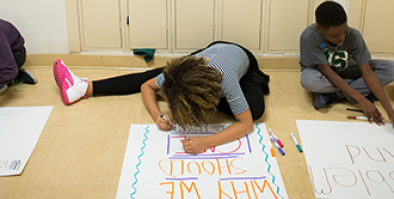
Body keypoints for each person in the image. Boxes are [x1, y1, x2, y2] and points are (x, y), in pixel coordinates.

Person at [53, 41, 270, 154]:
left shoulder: (226, 81)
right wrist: (157, 114)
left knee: (255, 110)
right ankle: (83, 88)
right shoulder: (177, 74)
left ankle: (209, 100)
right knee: (153, 76)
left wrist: (206, 142)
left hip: (243, 60)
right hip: (211, 51)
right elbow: (146, 86)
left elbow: (246, 124)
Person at [299, 1, 394, 126]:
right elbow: (327, 72)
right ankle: (356, 91)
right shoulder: (309, 37)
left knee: (391, 69)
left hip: (348, 68)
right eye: (335, 36)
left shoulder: (354, 35)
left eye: (344, 32)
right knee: (309, 81)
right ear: (319, 29)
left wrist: (390, 111)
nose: (342, 38)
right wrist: (361, 99)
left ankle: (333, 95)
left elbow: (368, 73)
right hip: (324, 73)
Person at [0, 18, 37, 94]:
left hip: (15, 55)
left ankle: (12, 77)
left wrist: (10, 71)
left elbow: (8, 69)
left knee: (8, 70)